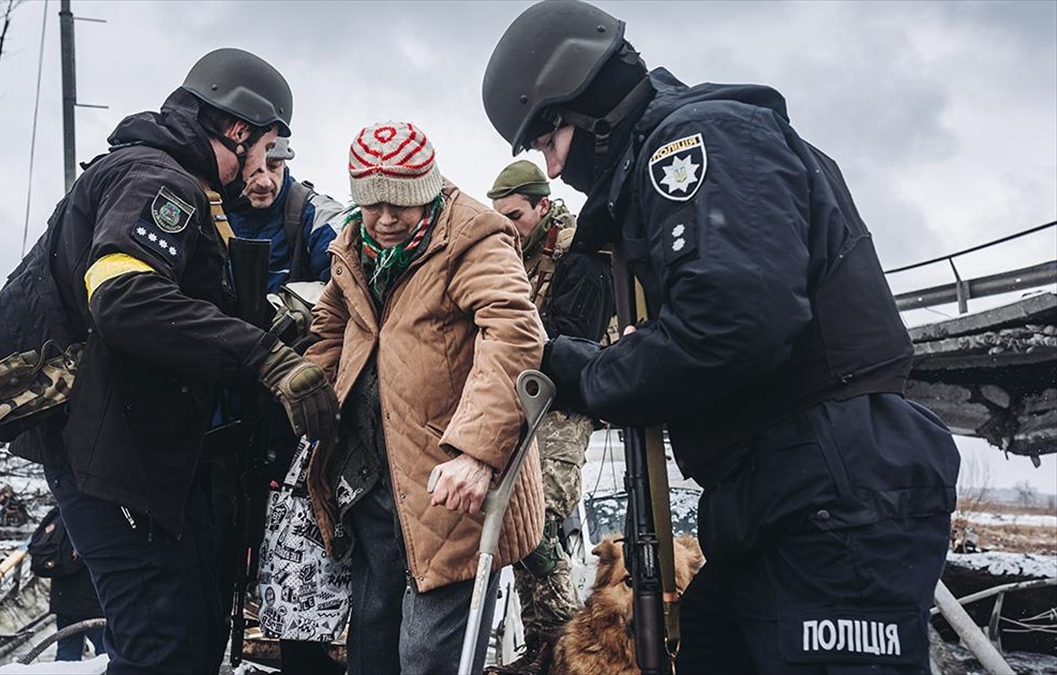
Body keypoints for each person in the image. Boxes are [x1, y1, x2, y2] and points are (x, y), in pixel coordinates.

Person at [482, 2, 960, 673]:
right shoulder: (690, 149)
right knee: (706, 644)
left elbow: (733, 321)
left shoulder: (698, 141)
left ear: (584, 109)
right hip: (774, 485)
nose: (554, 170)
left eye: (547, 142)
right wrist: (582, 362)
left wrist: (590, 374)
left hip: (830, 478)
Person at [5, 48, 339, 674]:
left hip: (135, 456)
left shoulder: (168, 178)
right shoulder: (159, 180)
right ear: (237, 129)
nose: (263, 167)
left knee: (184, 640)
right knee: (163, 650)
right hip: (112, 460)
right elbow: (123, 298)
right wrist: (264, 356)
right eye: (265, 147)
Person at [304, 121, 547, 675]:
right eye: (373, 204)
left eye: (401, 202)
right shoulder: (355, 245)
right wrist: (310, 390)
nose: (386, 218)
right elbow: (333, 324)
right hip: (371, 476)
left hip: (451, 485)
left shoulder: (474, 237)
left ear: (428, 189)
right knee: (372, 644)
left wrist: (477, 454)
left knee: (429, 656)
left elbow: (513, 333)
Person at [485, 159, 613, 675]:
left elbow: (573, 342)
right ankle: (543, 645)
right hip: (529, 402)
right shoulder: (514, 253)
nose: (508, 226)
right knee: (519, 527)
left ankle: (565, 643)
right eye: (500, 217)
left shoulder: (581, 257)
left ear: (543, 205)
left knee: (539, 526)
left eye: (515, 215)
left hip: (568, 406)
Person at [225, 139, 347, 674]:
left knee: (301, 553)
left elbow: (351, 265)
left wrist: (293, 311)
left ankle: (306, 657)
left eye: (276, 166)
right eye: (256, 167)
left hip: (295, 415)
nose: (264, 180)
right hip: (224, 407)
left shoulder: (311, 215)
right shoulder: (208, 211)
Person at [228, 136, 345, 289]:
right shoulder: (205, 209)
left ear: (284, 163)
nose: (265, 182)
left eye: (273, 166)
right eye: (253, 169)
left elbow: (348, 273)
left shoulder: (315, 214)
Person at [29, 506, 105, 661]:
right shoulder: (96, 514)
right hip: (93, 602)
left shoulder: (59, 512)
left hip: (63, 599)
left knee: (67, 653)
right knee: (109, 653)